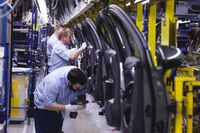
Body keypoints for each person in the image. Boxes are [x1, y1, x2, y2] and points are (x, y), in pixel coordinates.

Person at [34, 66, 87, 133]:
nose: (79, 89)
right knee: (46, 129)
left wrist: (76, 107)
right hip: (43, 106)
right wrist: (68, 108)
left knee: (57, 128)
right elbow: (48, 105)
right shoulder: (53, 82)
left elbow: (80, 94)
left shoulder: (80, 77)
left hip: (60, 104)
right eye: (77, 88)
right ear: (69, 83)